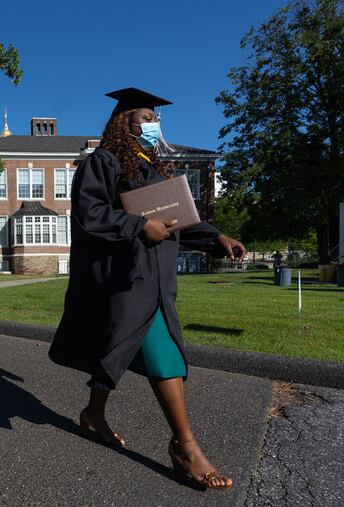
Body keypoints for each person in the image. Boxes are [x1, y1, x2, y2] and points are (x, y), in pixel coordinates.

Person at [49, 88, 246, 490]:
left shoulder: (153, 172)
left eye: (156, 120)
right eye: (146, 118)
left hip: (156, 280)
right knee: (162, 351)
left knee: (116, 349)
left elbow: (178, 221)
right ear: (126, 122)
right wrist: (138, 226)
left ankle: (93, 412)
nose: (154, 126)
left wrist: (217, 237)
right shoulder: (101, 163)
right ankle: (186, 447)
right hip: (125, 280)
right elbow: (90, 215)